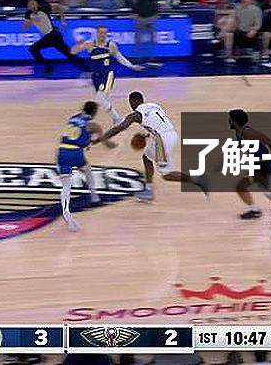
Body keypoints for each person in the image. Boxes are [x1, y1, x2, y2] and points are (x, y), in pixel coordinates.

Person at [92, 91, 209, 201]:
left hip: (162, 141)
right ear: (142, 100)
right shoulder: (154, 106)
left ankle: (197, 180)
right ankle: (148, 189)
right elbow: (158, 123)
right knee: (147, 157)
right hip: (171, 134)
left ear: (131, 102)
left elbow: (119, 128)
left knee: (166, 174)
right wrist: (148, 135)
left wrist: (100, 139)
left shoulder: (136, 115)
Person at [71, 25, 144, 132]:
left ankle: (117, 118)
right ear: (97, 33)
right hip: (96, 76)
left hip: (107, 75)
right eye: (101, 32)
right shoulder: (90, 44)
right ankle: (115, 118)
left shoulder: (111, 45)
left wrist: (131, 66)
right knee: (102, 99)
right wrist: (79, 44)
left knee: (99, 99)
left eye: (105, 33)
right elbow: (73, 51)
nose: (103, 35)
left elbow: (119, 57)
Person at [56, 101, 103, 232]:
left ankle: (66, 212)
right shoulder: (91, 123)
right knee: (87, 169)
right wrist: (91, 142)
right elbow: (86, 142)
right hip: (75, 153)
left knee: (66, 186)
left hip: (62, 151)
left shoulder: (73, 118)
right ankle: (94, 194)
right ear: (94, 112)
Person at [23, 0, 89, 75]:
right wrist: (29, 22)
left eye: (34, 4)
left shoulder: (44, 8)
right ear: (28, 7)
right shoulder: (28, 14)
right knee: (68, 53)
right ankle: (85, 67)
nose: (33, 6)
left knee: (33, 49)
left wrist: (63, 19)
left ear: (37, 4)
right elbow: (26, 25)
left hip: (53, 34)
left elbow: (58, 6)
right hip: (51, 36)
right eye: (30, 5)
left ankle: (48, 67)